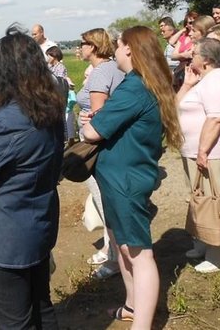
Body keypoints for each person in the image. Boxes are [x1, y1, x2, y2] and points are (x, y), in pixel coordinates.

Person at [0, 26, 66, 329]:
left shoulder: (4, 122)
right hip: (39, 225)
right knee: (42, 307)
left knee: (14, 322)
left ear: (4, 74)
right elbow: (55, 169)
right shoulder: (52, 110)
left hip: (5, 239)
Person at [82, 26, 183, 330]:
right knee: (125, 247)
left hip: (125, 181)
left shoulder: (134, 87)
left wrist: (94, 122)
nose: (114, 49)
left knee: (139, 252)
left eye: (118, 44)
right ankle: (131, 306)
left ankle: (142, 324)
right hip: (122, 179)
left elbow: (91, 132)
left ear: (129, 49)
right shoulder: (140, 84)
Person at [176, 39, 220, 273]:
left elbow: (216, 118)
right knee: (200, 198)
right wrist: (187, 85)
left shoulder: (216, 80)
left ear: (208, 59)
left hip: (210, 151)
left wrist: (203, 150)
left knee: (215, 201)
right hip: (194, 151)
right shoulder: (202, 81)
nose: (190, 54)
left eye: (196, 52)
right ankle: (202, 241)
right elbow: (175, 107)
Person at [77, 27, 125, 279]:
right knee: (106, 199)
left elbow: (100, 117)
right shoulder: (114, 68)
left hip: (97, 149)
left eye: (83, 43)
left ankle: (114, 259)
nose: (79, 47)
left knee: (104, 200)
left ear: (93, 47)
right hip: (113, 146)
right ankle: (110, 248)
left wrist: (87, 121)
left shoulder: (99, 73)